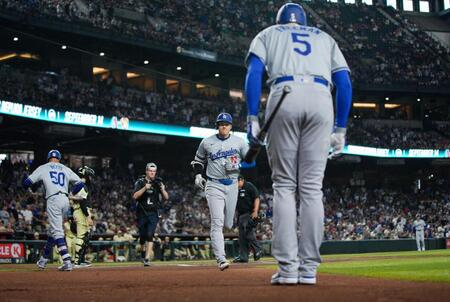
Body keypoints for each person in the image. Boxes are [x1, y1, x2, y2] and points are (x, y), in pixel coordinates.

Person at [244, 3, 352, 285]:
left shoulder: (268, 33)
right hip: (321, 97)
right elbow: (344, 82)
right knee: (312, 189)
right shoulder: (324, 37)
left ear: (280, 20)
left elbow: (254, 73)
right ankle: (309, 270)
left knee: (284, 186)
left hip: (285, 94)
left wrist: (252, 116)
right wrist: (340, 128)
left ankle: (288, 269)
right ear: (304, 21)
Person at [191, 112, 254, 271]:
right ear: (217, 126)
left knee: (228, 224)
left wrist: (254, 148)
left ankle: (226, 232)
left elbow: (250, 161)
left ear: (231, 126)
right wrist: (198, 174)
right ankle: (221, 259)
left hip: (232, 185)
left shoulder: (239, 142)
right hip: (214, 185)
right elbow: (198, 160)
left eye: (226, 124)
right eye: (221, 124)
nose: (223, 126)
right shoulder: (207, 142)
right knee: (217, 222)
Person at [23, 149, 85, 271]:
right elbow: (80, 183)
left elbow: (26, 183)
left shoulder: (44, 167)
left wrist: (27, 187)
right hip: (65, 200)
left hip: (53, 200)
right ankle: (43, 259)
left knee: (57, 231)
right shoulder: (65, 168)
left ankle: (67, 261)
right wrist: (71, 193)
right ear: (59, 158)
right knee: (53, 231)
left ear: (48, 158)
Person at [132, 162, 169, 266]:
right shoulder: (140, 182)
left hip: (153, 212)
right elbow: (135, 196)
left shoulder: (158, 182)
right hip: (141, 212)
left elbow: (166, 197)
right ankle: (143, 253)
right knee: (142, 235)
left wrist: (162, 188)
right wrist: (145, 188)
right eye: (150, 171)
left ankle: (147, 258)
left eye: (154, 171)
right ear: (147, 171)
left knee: (150, 234)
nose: (152, 173)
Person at [69, 166, 95, 268]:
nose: (91, 179)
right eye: (90, 176)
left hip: (78, 211)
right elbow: (83, 202)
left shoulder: (77, 185)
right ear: (87, 175)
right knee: (82, 235)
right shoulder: (82, 185)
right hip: (81, 211)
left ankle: (81, 260)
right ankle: (76, 262)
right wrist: (88, 216)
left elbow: (71, 198)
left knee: (86, 236)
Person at [233, 175, 262, 263]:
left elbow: (256, 198)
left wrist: (255, 211)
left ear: (241, 180)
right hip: (241, 215)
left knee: (247, 232)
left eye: (237, 182)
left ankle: (258, 249)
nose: (236, 184)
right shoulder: (236, 190)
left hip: (249, 213)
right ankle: (243, 257)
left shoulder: (249, 186)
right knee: (242, 236)